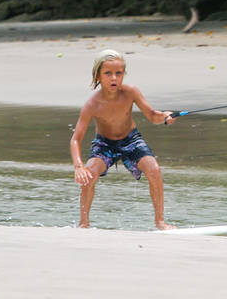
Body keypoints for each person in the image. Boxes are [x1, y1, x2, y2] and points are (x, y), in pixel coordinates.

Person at [69, 49, 176, 229]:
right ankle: (83, 223)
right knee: (89, 174)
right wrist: (79, 167)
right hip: (104, 143)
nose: (114, 78)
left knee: (154, 169)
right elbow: (75, 139)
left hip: (131, 140)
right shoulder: (92, 104)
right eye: (108, 73)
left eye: (118, 73)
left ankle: (160, 221)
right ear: (97, 77)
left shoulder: (131, 92)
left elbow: (152, 115)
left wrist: (165, 117)